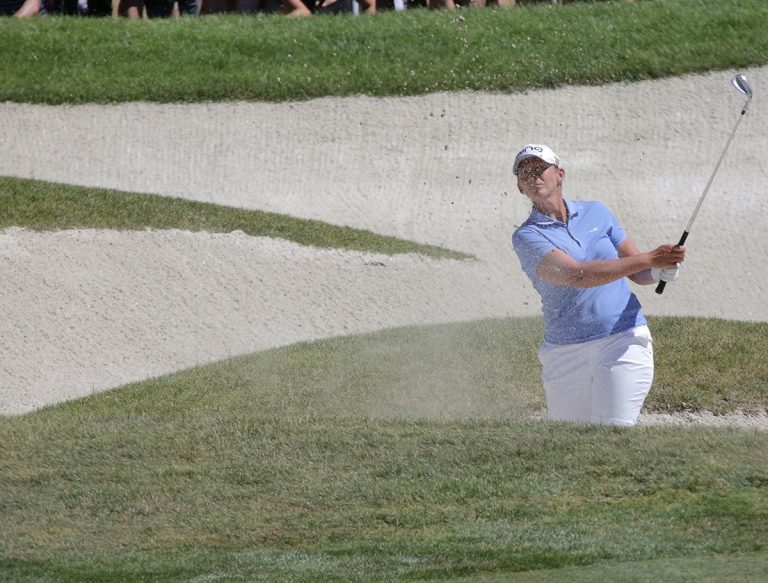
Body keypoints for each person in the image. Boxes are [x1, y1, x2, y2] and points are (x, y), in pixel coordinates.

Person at [511, 144, 685, 427]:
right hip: (564, 353)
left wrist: (658, 270)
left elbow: (637, 271)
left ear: (560, 174)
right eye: (524, 173)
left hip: (622, 339)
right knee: (568, 448)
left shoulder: (597, 212)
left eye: (539, 168)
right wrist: (650, 258)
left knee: (613, 433)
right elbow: (577, 276)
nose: (533, 176)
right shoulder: (526, 236)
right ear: (520, 187)